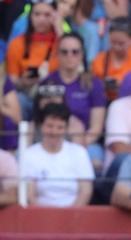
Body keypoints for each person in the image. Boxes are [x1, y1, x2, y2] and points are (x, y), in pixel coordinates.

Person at [37, 30, 104, 162]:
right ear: (57, 54)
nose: (69, 56)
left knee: (95, 158)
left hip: (85, 141)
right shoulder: (47, 83)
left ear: (82, 55)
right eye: (64, 52)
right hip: (52, 139)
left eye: (75, 52)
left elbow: (96, 127)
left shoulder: (93, 84)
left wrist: (79, 144)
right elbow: (40, 120)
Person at [20, 101, 92, 206]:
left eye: (60, 127)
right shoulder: (29, 154)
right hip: (39, 216)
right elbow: (30, 195)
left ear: (66, 129)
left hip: (74, 216)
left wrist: (70, 216)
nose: (54, 132)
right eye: (50, 126)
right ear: (41, 126)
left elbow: (85, 192)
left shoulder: (79, 152)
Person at [90, 17, 131, 100]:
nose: (116, 47)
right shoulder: (100, 59)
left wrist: (123, 84)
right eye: (113, 42)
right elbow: (94, 85)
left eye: (121, 43)